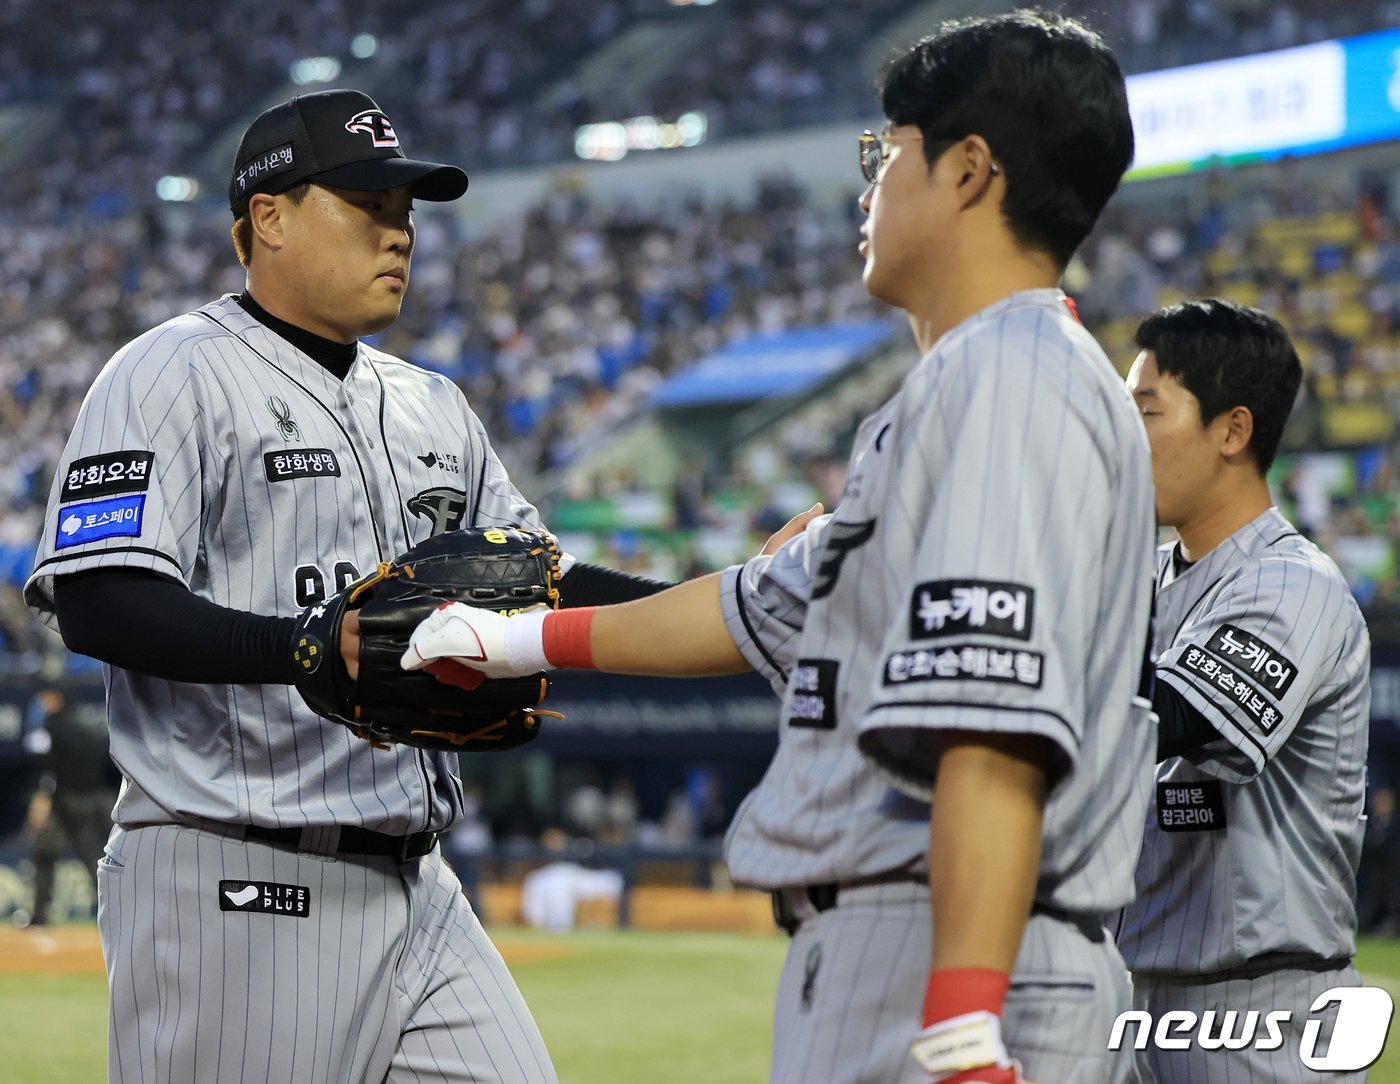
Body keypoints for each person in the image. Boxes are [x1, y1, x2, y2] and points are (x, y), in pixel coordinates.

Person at [402, 12, 1153, 1083]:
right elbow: (747, 606)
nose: (867, 187)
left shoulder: (1008, 377)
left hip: (944, 954)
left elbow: (993, 727)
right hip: (910, 938)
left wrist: (962, 1026)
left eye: (883, 154)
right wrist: (507, 638)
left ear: (968, 171)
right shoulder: (969, 385)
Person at [22, 88, 696, 1084]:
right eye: (367, 202)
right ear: (270, 217)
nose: (401, 230)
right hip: (234, 875)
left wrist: (724, 599)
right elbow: (100, 595)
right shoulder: (169, 371)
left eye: (407, 208)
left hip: (417, 879)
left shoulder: (431, 403)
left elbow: (540, 582)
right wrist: (296, 647)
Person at [1114, 298, 1372, 1083]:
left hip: (1267, 1018)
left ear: (1232, 430)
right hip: (1139, 1001)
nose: (1122, 437)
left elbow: (1168, 718)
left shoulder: (1293, 584)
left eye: (1146, 411)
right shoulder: (1148, 582)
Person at [20, 687, 118, 928]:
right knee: (93, 856)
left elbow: (47, 767)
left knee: (47, 854)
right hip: (95, 797)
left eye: (46, 698)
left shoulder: (51, 725)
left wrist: (42, 797)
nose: (42, 704)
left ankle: (38, 917)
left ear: (57, 699)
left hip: (63, 799)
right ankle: (116, 911)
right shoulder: (87, 722)